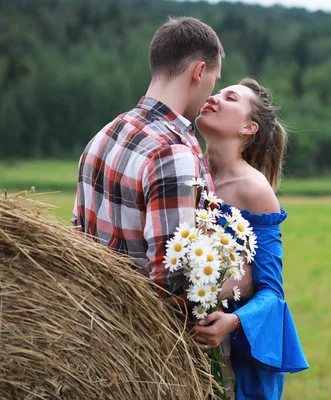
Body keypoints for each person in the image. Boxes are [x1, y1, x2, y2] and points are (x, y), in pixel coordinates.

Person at [72, 17, 223, 300]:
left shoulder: (104, 135)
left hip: (96, 324)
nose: (212, 94)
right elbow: (171, 283)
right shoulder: (171, 153)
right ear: (199, 72)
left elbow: (77, 237)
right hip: (147, 339)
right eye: (215, 80)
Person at [191, 78, 309, 399]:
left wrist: (231, 321)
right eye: (216, 92)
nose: (214, 98)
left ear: (248, 128)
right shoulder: (188, 170)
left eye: (229, 98)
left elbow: (272, 292)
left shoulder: (254, 190)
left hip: (233, 359)